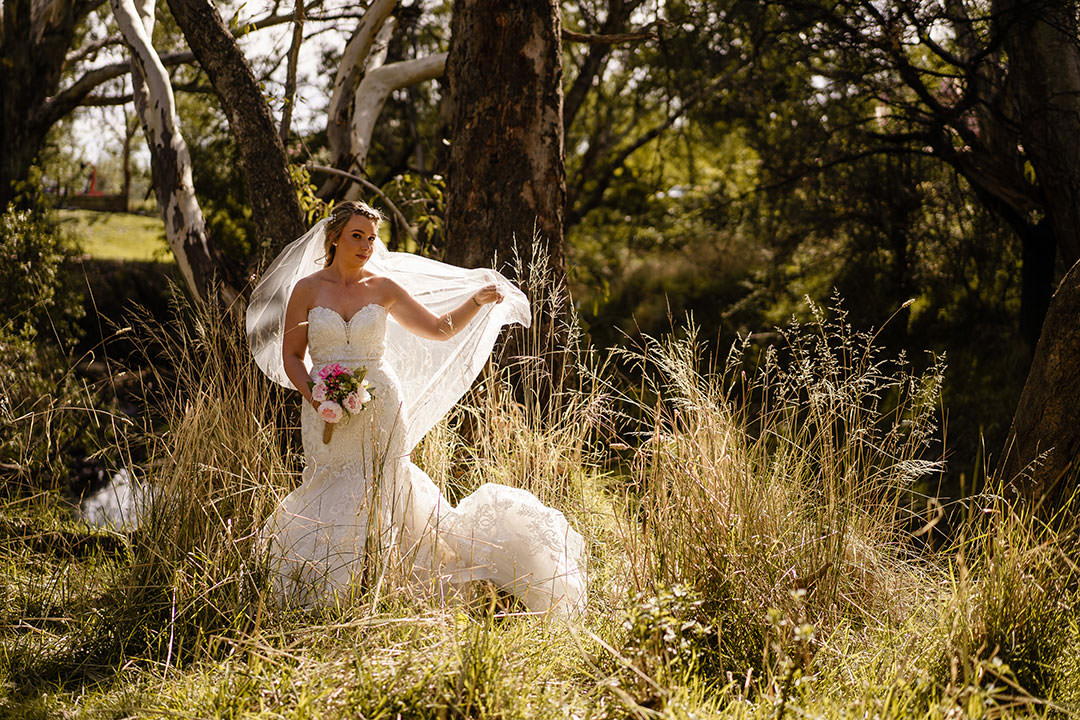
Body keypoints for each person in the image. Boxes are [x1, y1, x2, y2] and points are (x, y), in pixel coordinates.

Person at [246, 201, 587, 615]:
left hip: (381, 405)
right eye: (357, 236)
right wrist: (315, 394)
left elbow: (438, 329)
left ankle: (385, 586)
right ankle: (327, 589)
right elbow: (292, 356)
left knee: (386, 485)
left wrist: (476, 302)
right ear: (334, 237)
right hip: (323, 408)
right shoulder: (307, 289)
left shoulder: (383, 288)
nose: (366, 246)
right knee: (328, 484)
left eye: (372, 238)